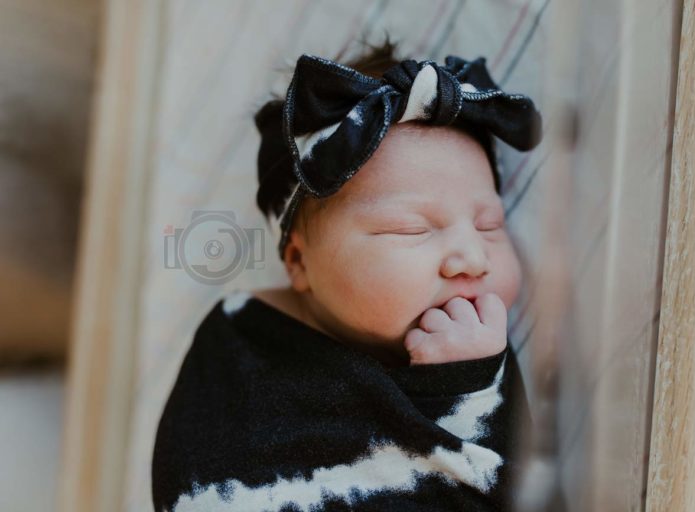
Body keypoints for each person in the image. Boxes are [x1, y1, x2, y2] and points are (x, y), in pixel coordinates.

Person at [151, 36, 542, 511]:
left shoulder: (480, 365)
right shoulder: (241, 349)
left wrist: (468, 387)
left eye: (490, 225)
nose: (472, 257)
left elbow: (515, 493)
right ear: (299, 262)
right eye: (411, 228)